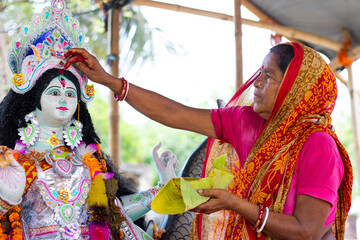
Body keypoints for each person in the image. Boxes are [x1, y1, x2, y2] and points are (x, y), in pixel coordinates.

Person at [64, 41, 353, 240]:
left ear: (295, 88)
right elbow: (175, 113)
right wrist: (110, 81)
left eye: (268, 76)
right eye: (259, 73)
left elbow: (307, 232)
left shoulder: (319, 145)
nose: (256, 83)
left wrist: (235, 204)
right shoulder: (247, 122)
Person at [0, 1, 179, 239]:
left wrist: (164, 186)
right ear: (31, 100)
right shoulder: (10, 162)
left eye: (70, 93)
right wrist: (5, 200)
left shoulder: (88, 163)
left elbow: (117, 214)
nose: (64, 98)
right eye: (54, 92)